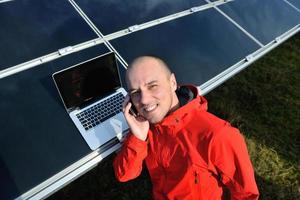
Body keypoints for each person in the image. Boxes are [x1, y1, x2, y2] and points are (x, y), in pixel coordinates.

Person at [113, 56, 259, 200]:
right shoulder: (147, 126)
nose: (144, 100)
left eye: (152, 86)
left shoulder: (218, 135)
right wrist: (138, 137)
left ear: (172, 83)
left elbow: (247, 195)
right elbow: (124, 174)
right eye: (135, 92)